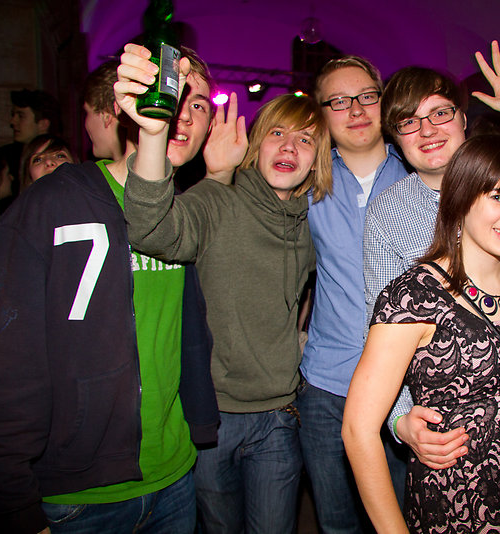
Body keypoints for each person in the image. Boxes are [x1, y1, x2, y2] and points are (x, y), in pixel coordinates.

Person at [0, 46, 221, 534]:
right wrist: (15, 499)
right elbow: (11, 353)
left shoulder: (185, 215)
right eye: (176, 96)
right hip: (78, 495)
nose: (185, 114)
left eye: (200, 104)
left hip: (174, 477)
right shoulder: (56, 200)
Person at [118, 43, 332, 533]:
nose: (289, 148)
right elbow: (150, 229)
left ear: (317, 159)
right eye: (277, 133)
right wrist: (159, 139)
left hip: (280, 416)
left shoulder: (311, 223)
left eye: (305, 140)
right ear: (256, 143)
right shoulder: (219, 199)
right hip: (212, 418)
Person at [366, 42, 500, 470]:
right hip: (454, 433)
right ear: (395, 139)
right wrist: (401, 419)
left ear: (464, 119)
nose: (427, 130)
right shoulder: (388, 211)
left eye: (440, 113)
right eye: (408, 122)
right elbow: (379, 323)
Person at [344, 134, 500, 532]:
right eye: (499, 197)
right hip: (460, 504)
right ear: (461, 198)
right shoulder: (415, 296)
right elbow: (357, 431)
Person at [296, 54, 410, 531]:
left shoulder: (421, 174)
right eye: (339, 101)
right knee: (337, 523)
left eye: (366, 96)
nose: (357, 110)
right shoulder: (305, 182)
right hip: (329, 386)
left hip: (409, 386)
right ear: (321, 114)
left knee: (405, 520)